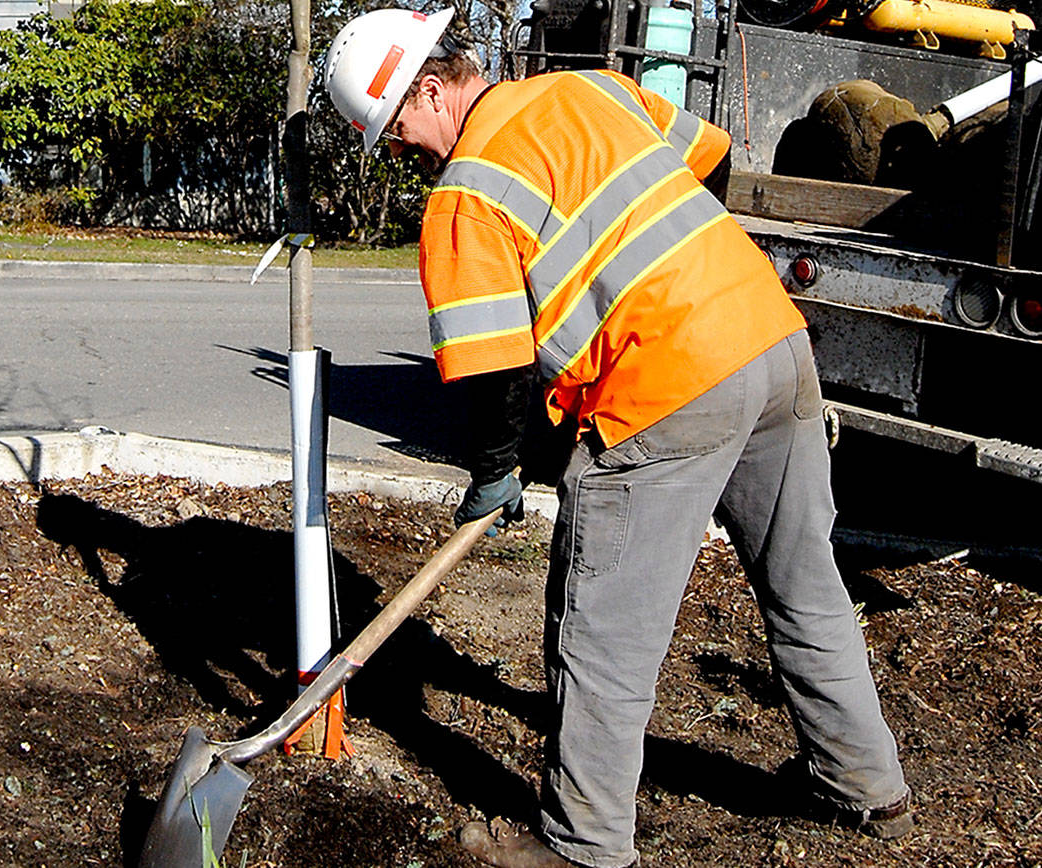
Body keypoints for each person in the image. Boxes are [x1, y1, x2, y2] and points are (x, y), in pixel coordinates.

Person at [323, 8, 912, 868]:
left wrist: (494, 472)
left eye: (395, 128)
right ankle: (867, 785)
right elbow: (707, 158)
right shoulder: (591, 88)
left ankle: (583, 845)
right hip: (769, 338)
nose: (400, 150)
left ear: (431, 86)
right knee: (805, 583)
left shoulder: (464, 196)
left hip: (663, 383)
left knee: (599, 630)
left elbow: (493, 372)